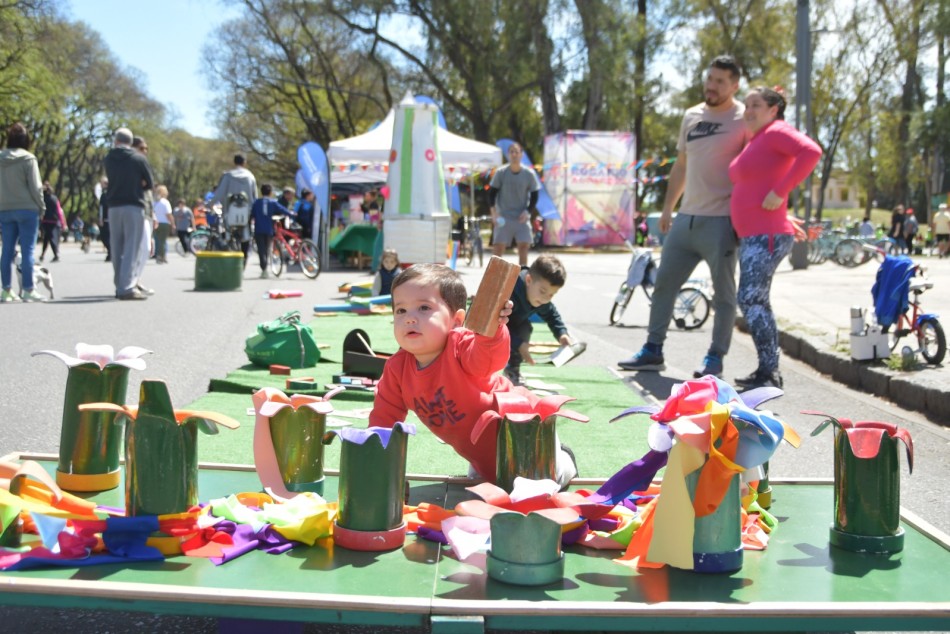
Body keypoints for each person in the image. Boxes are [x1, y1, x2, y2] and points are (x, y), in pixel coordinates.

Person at [369, 263, 578, 488]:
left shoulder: (460, 346)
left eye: (423, 308)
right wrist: (379, 469)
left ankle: (566, 460)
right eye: (401, 310)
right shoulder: (396, 369)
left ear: (457, 321)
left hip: (525, 436)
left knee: (539, 485)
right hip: (480, 455)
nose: (409, 318)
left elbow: (488, 358)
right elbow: (384, 419)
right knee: (487, 487)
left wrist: (492, 330)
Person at [618, 55, 750, 378]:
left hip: (722, 222)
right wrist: (667, 208)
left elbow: (755, 167)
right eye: (710, 78)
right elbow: (681, 165)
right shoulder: (691, 115)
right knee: (663, 283)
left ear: (734, 85)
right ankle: (653, 349)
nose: (712, 86)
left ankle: (715, 358)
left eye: (720, 81)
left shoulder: (745, 117)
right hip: (686, 218)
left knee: (723, 294)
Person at [728, 86, 822, 390]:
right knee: (754, 300)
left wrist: (780, 193)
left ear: (773, 110)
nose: (749, 110)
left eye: (756, 104)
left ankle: (769, 372)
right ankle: (767, 370)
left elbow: (811, 152)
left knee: (752, 299)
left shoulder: (777, 131)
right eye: (746, 105)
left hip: (764, 236)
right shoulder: (759, 140)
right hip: (757, 234)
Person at [503, 254, 572, 386]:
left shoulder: (540, 297)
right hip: (490, 324)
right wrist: (518, 344)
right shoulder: (510, 289)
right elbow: (495, 322)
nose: (546, 298)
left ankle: (512, 370)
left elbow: (551, 314)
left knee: (525, 328)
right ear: (529, 280)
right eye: (543, 291)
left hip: (513, 323)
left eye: (552, 294)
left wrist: (562, 333)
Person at [103, 127, 154, 300]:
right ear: (131, 142)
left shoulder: (109, 158)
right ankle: (127, 287)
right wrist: (139, 184)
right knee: (132, 247)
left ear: (116, 141)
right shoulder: (138, 159)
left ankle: (119, 284)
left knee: (116, 246)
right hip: (134, 204)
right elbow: (150, 183)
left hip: (113, 206)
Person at [0, 122, 46, 303]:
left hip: (4, 209)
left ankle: (6, 290)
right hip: (27, 209)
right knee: (28, 250)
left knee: (7, 250)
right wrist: (41, 207)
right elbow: (36, 187)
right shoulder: (28, 159)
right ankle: (28, 289)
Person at [489, 143, 541, 266]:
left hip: (521, 216)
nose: (514, 154)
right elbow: (492, 193)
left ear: (521, 155)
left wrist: (528, 211)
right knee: (498, 248)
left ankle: (522, 276)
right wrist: (494, 214)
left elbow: (535, 195)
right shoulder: (501, 172)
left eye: (517, 152)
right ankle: (493, 277)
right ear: (508, 155)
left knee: (523, 246)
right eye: (511, 152)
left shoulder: (529, 174)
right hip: (503, 216)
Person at [211, 154, 258, 267]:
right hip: (246, 212)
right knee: (246, 235)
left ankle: (228, 257)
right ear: (244, 162)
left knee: (227, 232)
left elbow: (219, 194)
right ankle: (244, 258)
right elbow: (254, 196)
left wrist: (210, 205)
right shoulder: (250, 176)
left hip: (229, 212)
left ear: (234, 162)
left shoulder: (227, 176)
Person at [249, 183, 291, 279]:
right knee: (267, 248)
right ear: (270, 192)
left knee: (261, 250)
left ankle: (263, 268)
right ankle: (265, 268)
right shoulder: (273, 202)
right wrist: (291, 214)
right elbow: (283, 210)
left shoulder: (256, 203)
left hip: (258, 229)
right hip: (269, 229)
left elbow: (252, 214)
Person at [39, 181, 65, 263]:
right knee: (50, 238)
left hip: (45, 220)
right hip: (54, 220)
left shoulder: (42, 199)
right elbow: (59, 211)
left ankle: (52, 255)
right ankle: (47, 254)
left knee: (48, 238)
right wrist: (62, 222)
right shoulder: (54, 198)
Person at [152, 184, 173, 263]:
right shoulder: (165, 202)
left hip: (156, 222)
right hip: (164, 223)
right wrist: (172, 223)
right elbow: (168, 214)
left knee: (157, 240)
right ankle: (162, 256)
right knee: (163, 241)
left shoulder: (154, 202)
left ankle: (159, 255)